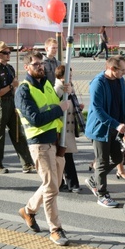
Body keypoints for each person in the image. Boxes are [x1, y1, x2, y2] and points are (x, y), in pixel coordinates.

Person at [16, 52, 72, 246]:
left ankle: (29, 210)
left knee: (51, 184)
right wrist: (60, 108)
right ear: (26, 68)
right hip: (39, 143)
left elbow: (53, 103)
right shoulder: (23, 91)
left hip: (55, 141)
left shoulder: (46, 84)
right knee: (51, 188)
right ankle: (55, 229)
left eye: (41, 64)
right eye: (35, 64)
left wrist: (64, 91)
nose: (40, 67)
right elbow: (36, 118)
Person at [84, 56, 125, 208]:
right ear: (112, 69)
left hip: (115, 128)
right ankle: (102, 194)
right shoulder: (98, 83)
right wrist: (115, 124)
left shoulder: (120, 80)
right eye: (122, 70)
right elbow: (97, 110)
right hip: (100, 129)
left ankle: (95, 179)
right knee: (103, 161)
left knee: (117, 158)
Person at [0, 41, 36, 174]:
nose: (8, 54)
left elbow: (14, 88)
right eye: (5, 53)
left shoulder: (10, 68)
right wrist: (11, 86)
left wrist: (16, 97)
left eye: (9, 52)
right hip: (1, 104)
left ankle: (26, 163)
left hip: (11, 102)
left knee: (17, 133)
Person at [54, 65, 83, 193]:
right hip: (61, 128)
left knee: (65, 155)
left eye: (71, 75)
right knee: (65, 156)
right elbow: (57, 105)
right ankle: (71, 183)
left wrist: (77, 107)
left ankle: (64, 183)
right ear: (61, 76)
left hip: (68, 127)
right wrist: (67, 93)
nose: (71, 77)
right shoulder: (58, 89)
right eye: (68, 75)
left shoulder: (68, 87)